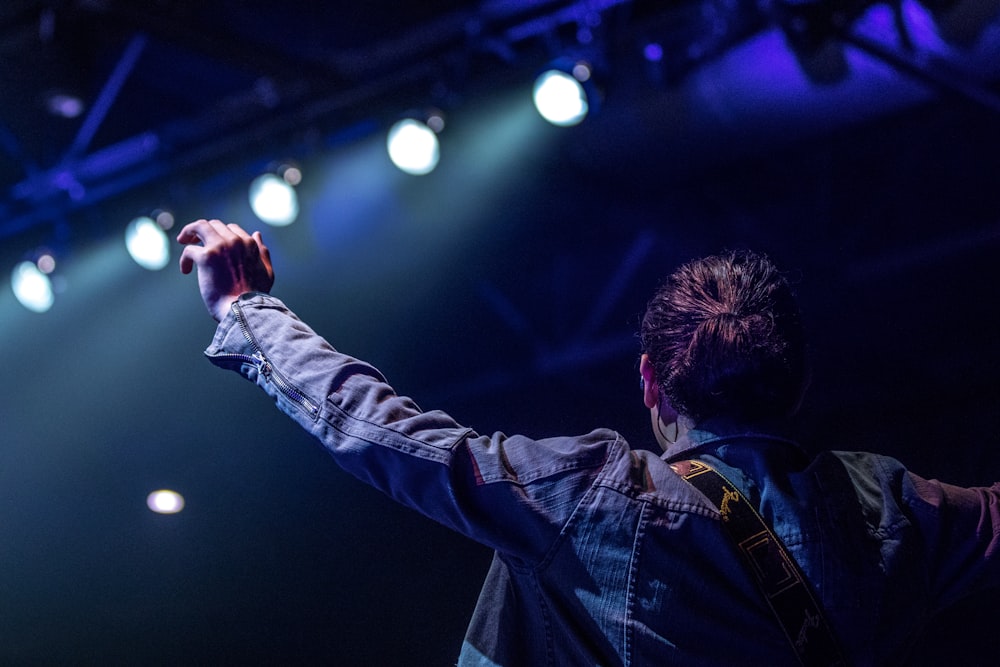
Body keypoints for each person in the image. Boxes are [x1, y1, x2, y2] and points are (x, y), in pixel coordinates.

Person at [178, 218, 1000, 666]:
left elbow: (384, 431)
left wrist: (243, 309)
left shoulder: (591, 497)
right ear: (800, 384)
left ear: (650, 383)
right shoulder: (896, 508)